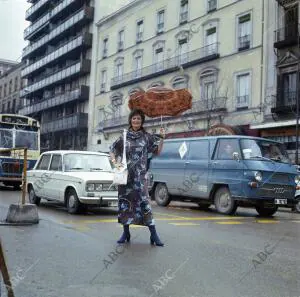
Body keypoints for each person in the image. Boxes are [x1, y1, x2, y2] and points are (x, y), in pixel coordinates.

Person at [109, 109, 165, 246]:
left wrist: (162, 138)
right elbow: (112, 150)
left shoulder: (147, 137)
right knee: (125, 204)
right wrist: (115, 164)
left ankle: (154, 234)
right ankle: (125, 232)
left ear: (142, 121)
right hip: (126, 178)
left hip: (140, 178)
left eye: (139, 119)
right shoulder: (124, 136)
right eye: (134, 118)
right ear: (130, 120)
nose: (136, 121)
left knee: (145, 204)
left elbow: (157, 151)